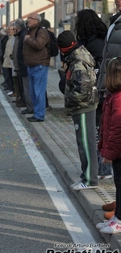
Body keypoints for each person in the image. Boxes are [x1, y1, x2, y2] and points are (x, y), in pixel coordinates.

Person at [56, 30, 99, 191]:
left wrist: (69, 100)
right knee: (85, 142)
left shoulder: (78, 62)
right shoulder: (78, 55)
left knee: (86, 143)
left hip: (83, 107)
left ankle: (89, 179)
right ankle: (87, 175)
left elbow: (82, 89)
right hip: (85, 105)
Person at [75, 9, 113, 186]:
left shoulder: (94, 42)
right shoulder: (92, 40)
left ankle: (103, 170)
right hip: (95, 90)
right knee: (98, 130)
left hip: (96, 90)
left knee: (98, 131)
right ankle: (100, 168)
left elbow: (99, 65)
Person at [96, 57, 121, 234]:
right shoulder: (113, 96)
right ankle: (117, 217)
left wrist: (109, 153)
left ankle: (119, 220)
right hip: (117, 151)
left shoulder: (118, 98)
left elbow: (117, 129)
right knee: (118, 184)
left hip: (119, 151)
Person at [23, 13, 50, 122]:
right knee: (33, 92)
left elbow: (39, 45)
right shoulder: (29, 31)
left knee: (39, 91)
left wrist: (28, 39)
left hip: (39, 65)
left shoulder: (41, 31)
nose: (28, 20)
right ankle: (36, 112)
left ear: (37, 21)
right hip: (31, 64)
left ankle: (39, 114)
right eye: (28, 18)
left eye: (31, 18)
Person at [14, 18, 32, 110]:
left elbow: (23, 51)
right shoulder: (21, 35)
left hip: (24, 64)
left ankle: (28, 105)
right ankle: (25, 102)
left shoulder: (23, 35)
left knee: (27, 87)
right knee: (24, 86)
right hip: (22, 64)